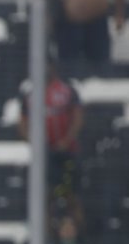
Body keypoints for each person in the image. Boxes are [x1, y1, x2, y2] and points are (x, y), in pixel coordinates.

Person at [17, 60, 84, 207]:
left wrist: (66, 141)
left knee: (71, 194)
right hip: (44, 156)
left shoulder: (68, 91)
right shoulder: (30, 95)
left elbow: (77, 118)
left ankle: (76, 226)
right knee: (45, 197)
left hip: (68, 152)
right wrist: (35, 143)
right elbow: (22, 123)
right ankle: (46, 227)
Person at [46, 0, 125, 65]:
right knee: (68, 63)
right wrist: (49, 16)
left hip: (97, 22)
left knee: (100, 62)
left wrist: (119, 15)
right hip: (69, 22)